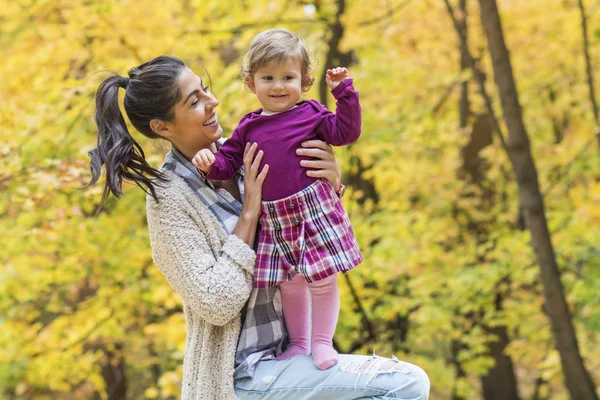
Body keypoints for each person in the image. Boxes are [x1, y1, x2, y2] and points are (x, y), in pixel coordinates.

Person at [87, 55, 430, 399]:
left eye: (205, 89)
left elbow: (306, 245)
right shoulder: (169, 198)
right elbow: (216, 304)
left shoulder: (245, 150)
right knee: (406, 384)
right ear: (163, 127)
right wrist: (249, 214)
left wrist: (330, 186)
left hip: (293, 353)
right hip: (243, 376)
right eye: (195, 100)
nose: (213, 102)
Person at [193, 28, 362, 370]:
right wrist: (209, 163)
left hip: (312, 208)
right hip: (274, 217)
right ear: (250, 83)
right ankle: (298, 343)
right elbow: (228, 162)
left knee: (322, 278)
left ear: (305, 81)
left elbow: (346, 133)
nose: (278, 86)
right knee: (290, 282)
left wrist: (345, 94)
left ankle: (322, 343)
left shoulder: (312, 114)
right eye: (267, 77)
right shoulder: (248, 127)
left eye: (288, 77)